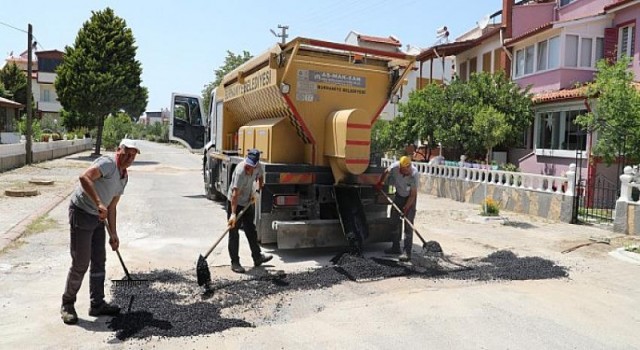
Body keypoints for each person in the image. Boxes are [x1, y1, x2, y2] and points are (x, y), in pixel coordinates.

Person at [60, 138, 140, 325]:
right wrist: (98, 203)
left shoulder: (124, 176)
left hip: (99, 216)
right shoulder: (107, 164)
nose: (129, 157)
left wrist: (113, 234)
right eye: (126, 153)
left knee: (99, 259)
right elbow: (84, 178)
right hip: (82, 211)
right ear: (118, 150)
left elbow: (112, 207)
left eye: (133, 155)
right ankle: (67, 304)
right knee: (81, 261)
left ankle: (97, 304)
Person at [226, 148, 272, 273]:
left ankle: (257, 257)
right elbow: (235, 195)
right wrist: (233, 214)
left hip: (247, 201)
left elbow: (260, 178)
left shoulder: (258, 167)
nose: (248, 167)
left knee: (251, 230)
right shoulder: (241, 171)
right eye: (247, 164)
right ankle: (235, 262)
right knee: (234, 232)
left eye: (251, 166)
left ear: (256, 164)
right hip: (234, 203)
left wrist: (257, 190)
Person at [375, 156, 419, 262]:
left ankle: (407, 252)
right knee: (394, 221)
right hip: (399, 196)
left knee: (408, 225)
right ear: (401, 168)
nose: (408, 171)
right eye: (405, 169)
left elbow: (413, 195)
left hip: (410, 199)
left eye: (409, 168)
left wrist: (406, 208)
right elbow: (386, 172)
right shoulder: (394, 167)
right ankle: (395, 247)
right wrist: (381, 182)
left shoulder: (414, 174)